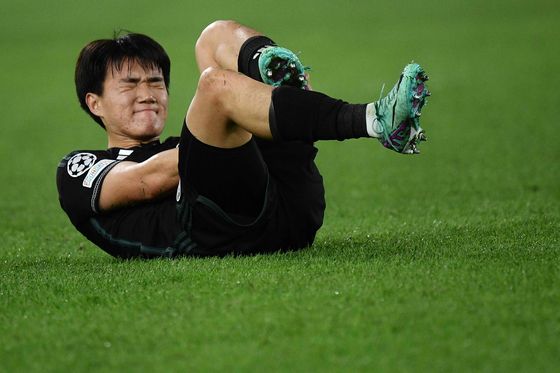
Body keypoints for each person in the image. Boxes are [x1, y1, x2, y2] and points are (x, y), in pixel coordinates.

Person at [56, 20, 430, 259]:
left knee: (212, 37)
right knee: (215, 89)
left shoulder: (187, 142)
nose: (148, 94)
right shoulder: (79, 168)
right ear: (95, 102)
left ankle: (266, 65)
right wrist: (236, 118)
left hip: (290, 213)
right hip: (214, 232)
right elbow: (145, 181)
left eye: (156, 82)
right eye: (130, 85)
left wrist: (251, 113)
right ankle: (374, 120)